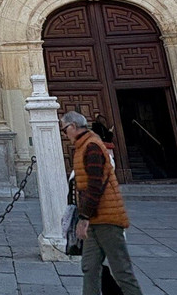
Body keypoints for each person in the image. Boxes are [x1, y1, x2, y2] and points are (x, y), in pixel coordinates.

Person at [61, 111, 144, 295]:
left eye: (64, 129)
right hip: (94, 220)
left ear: (73, 127)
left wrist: (83, 218)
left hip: (106, 219)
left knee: (121, 271)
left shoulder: (91, 147)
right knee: (89, 267)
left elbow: (94, 185)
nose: (64, 134)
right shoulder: (83, 146)